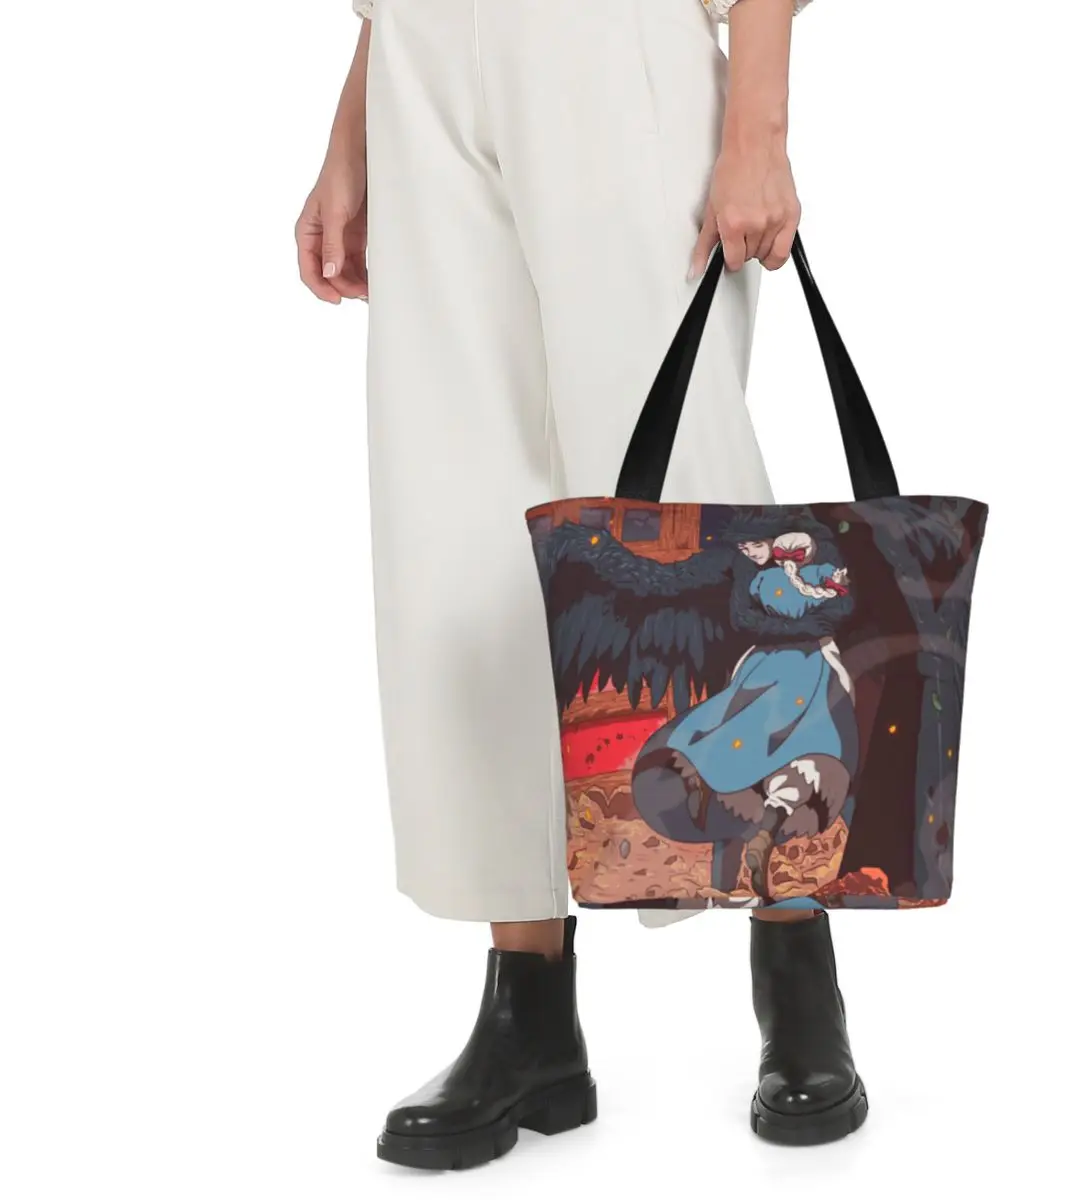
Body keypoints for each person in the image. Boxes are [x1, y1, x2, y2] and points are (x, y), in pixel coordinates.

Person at [296, 0, 866, 1169]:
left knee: (689, 517)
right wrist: (353, 126)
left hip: (612, 43)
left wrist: (758, 128)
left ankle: (796, 962)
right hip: (423, 59)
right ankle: (531, 1013)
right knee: (459, 534)